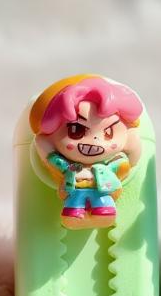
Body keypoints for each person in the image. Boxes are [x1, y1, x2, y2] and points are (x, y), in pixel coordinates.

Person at [29, 74, 144, 229]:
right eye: (76, 130)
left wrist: (133, 145)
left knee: (103, 204)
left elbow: (127, 162)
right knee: (74, 205)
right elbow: (49, 155)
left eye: (108, 132)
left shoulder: (113, 163)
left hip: (102, 190)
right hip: (75, 190)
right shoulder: (67, 166)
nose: (95, 141)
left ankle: (104, 211)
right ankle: (73, 213)